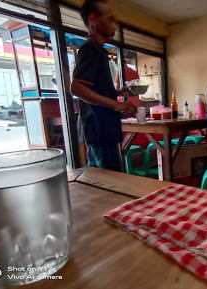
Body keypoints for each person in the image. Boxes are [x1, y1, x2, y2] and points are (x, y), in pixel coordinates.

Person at [71, 0, 136, 171]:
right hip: (99, 129)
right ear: (93, 19)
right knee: (110, 186)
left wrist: (117, 93)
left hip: (104, 129)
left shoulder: (99, 51)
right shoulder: (90, 50)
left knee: (107, 183)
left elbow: (93, 90)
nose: (114, 24)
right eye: (109, 18)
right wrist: (116, 104)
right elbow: (77, 88)